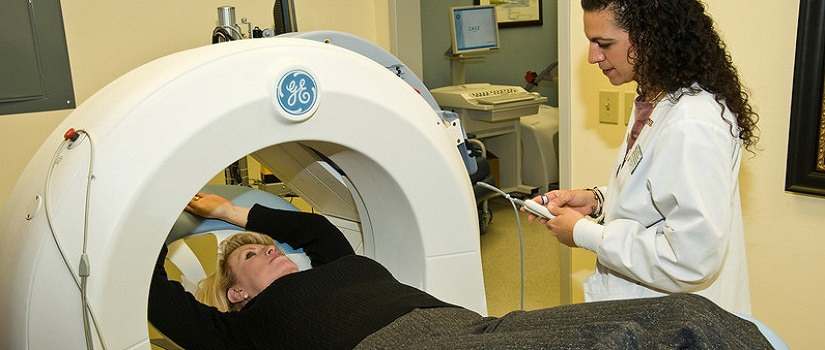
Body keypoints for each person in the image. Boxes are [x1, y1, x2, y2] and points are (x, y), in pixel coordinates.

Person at [148, 192, 772, 349]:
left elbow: (311, 230)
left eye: (265, 243)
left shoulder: (331, 265)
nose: (272, 250)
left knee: (685, 314)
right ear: (235, 292)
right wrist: (151, 213)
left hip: (468, 327)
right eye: (251, 254)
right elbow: (155, 296)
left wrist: (231, 213)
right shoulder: (240, 330)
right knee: (622, 343)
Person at [527, 0, 759, 315]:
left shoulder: (691, 123)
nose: (593, 56)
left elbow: (690, 258)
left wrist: (583, 232)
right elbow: (659, 194)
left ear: (651, 36)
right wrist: (595, 201)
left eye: (604, 43)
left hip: (678, 320)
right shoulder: (658, 100)